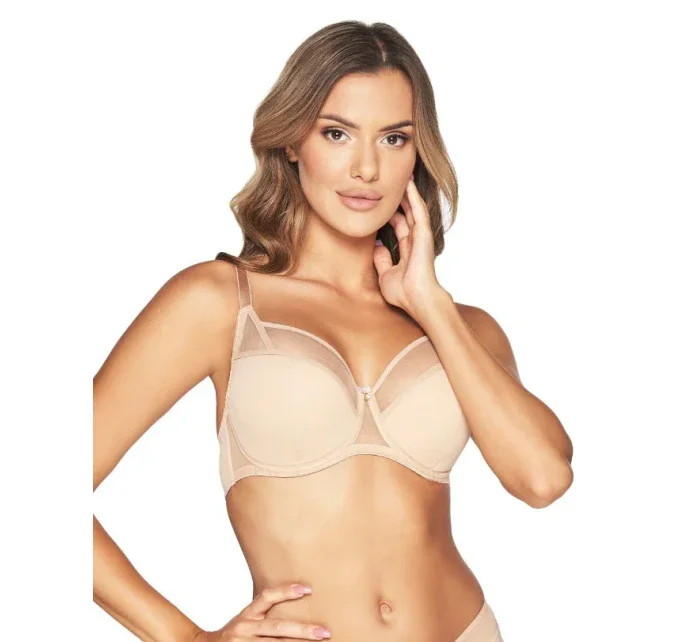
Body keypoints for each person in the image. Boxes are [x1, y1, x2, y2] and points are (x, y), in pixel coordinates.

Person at [93, 20, 574, 642]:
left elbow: (543, 479)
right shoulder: (218, 303)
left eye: (394, 138)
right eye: (337, 133)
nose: (367, 168)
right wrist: (185, 638)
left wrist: (430, 305)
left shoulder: (464, 328)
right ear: (293, 140)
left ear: (418, 153)